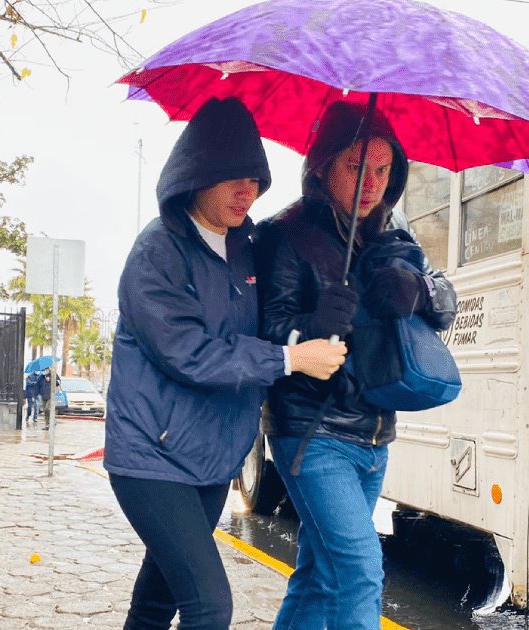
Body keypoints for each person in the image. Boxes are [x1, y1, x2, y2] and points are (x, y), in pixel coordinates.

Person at [103, 96, 349, 630]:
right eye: (234, 178)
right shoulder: (158, 251)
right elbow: (190, 354)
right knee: (210, 608)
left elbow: (273, 319)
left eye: (257, 179)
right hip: (152, 456)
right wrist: (291, 357)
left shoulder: (246, 248)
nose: (249, 192)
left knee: (155, 603)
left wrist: (316, 314)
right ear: (196, 175)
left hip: (214, 459)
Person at [254, 101, 458, 630]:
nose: (372, 182)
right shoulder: (287, 232)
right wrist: (314, 320)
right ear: (323, 165)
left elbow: (445, 297)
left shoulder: (395, 230)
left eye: (384, 169)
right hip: (312, 430)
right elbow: (266, 332)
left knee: (320, 574)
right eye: (356, 167)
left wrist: (421, 289)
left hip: (375, 435)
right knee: (359, 570)